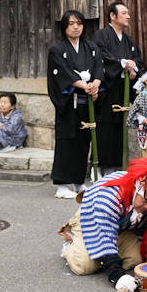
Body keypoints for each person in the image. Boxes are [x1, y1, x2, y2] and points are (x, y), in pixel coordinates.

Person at [59, 157, 147, 292]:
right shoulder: (109, 197)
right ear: (136, 188)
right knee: (84, 266)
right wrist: (117, 276)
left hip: (125, 225)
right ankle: (71, 245)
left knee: (135, 260)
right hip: (93, 219)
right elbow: (105, 235)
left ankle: (103, 254)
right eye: (145, 201)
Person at [48, 10, 104, 199]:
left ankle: (79, 182)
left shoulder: (91, 47)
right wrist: (84, 85)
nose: (75, 27)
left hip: (86, 102)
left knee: (83, 142)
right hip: (69, 102)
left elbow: (98, 68)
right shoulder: (56, 49)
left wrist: (95, 84)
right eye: (71, 23)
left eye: (78, 23)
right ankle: (62, 185)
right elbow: (62, 72)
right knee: (66, 142)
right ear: (64, 27)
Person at [92, 2, 143, 177]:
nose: (128, 16)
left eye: (128, 13)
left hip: (123, 89)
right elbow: (100, 56)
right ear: (113, 16)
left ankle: (113, 169)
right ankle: (97, 170)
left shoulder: (128, 40)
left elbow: (137, 58)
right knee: (104, 128)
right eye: (124, 13)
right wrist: (122, 64)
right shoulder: (101, 36)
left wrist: (134, 66)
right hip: (107, 89)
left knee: (119, 129)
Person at [0, 93, 27, 167]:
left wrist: (2, 126)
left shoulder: (17, 115)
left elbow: (12, 129)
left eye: (5, 103)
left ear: (12, 106)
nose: (2, 105)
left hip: (11, 139)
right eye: (1, 102)